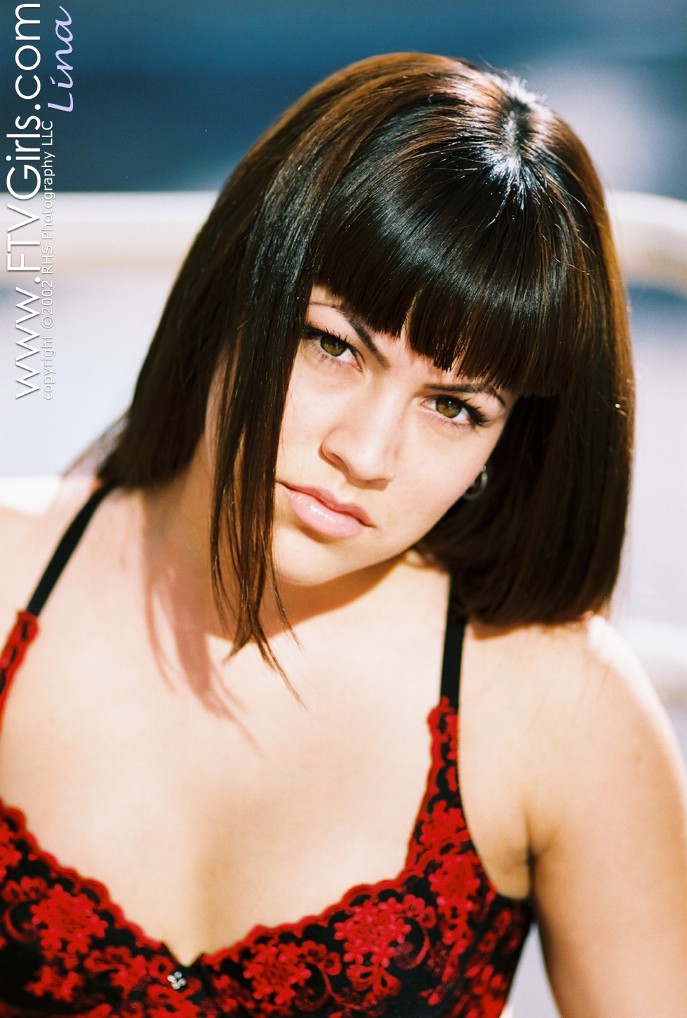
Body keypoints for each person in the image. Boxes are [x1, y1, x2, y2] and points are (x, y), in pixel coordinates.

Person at [0, 52, 686, 1017]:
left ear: (505, 445)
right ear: (235, 294)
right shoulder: (9, 578)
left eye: (453, 407)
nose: (364, 453)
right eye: (332, 345)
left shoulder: (559, 709)